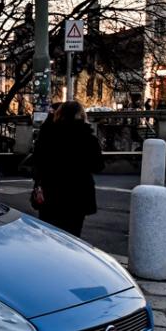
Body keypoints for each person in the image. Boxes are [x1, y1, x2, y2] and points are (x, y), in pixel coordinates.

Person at [31, 100, 105, 237]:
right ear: (81, 115)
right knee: (73, 236)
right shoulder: (88, 138)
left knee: (50, 236)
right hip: (77, 194)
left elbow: (37, 162)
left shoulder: (48, 135)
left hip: (51, 192)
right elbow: (98, 166)